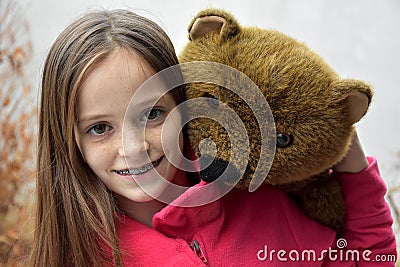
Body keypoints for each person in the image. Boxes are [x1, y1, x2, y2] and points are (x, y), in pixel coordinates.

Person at [30, 9, 396, 267]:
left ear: (185, 101)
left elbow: (370, 256)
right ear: (67, 139)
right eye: (99, 128)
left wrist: (352, 164)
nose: (133, 147)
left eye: (153, 114)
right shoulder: (78, 254)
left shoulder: (261, 200)